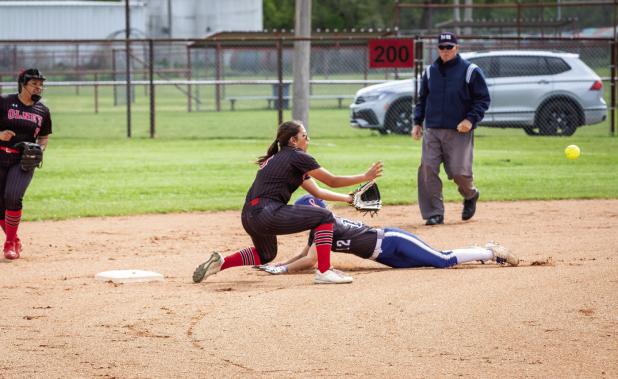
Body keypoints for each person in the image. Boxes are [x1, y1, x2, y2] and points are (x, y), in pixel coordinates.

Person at [192, 120, 383, 284]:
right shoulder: (297, 156)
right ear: (293, 140)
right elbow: (331, 181)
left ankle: (222, 263)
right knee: (324, 216)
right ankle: (324, 271)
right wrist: (365, 176)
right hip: (266, 213)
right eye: (304, 136)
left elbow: (318, 192)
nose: (308, 140)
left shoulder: (280, 159)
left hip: (249, 216)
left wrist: (348, 198)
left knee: (266, 254)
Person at [257, 195, 518, 275]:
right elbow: (306, 254)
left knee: (441, 260)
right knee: (431, 263)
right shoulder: (320, 227)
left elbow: (312, 260)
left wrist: (281, 271)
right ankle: (475, 251)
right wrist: (278, 264)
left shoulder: (327, 225)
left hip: (393, 241)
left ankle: (489, 251)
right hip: (386, 257)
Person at [411, 32, 490, 226]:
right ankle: (434, 213)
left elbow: (482, 99)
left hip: (459, 130)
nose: (445, 51)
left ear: (457, 48)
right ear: (437, 49)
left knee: (458, 172)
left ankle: (470, 194)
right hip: (433, 129)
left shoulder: (471, 71)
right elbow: (422, 100)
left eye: (449, 47)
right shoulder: (430, 72)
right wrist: (417, 122)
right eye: (442, 47)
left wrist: (470, 120)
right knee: (428, 169)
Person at [0, 69, 52, 260]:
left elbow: (44, 137)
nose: (39, 87)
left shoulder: (42, 110)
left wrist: (40, 150)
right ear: (23, 84)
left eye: (41, 84)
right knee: (0, 204)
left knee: (13, 197)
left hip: (23, 161)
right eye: (34, 84)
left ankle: (9, 244)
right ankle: (15, 240)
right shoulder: (4, 101)